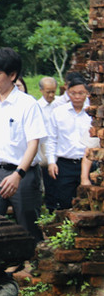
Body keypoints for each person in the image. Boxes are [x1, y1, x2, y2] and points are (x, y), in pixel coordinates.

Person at [0, 48, 46, 242]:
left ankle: (31, 266)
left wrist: (18, 174)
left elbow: (34, 143)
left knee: (27, 225)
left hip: (23, 173)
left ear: (13, 75)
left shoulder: (27, 104)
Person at [44, 73, 100, 210]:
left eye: (81, 93)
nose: (77, 96)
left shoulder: (93, 114)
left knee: (91, 202)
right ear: (67, 92)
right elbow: (51, 139)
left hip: (89, 162)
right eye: (73, 93)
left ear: (87, 93)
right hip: (65, 164)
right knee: (65, 202)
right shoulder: (58, 112)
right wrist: (51, 162)